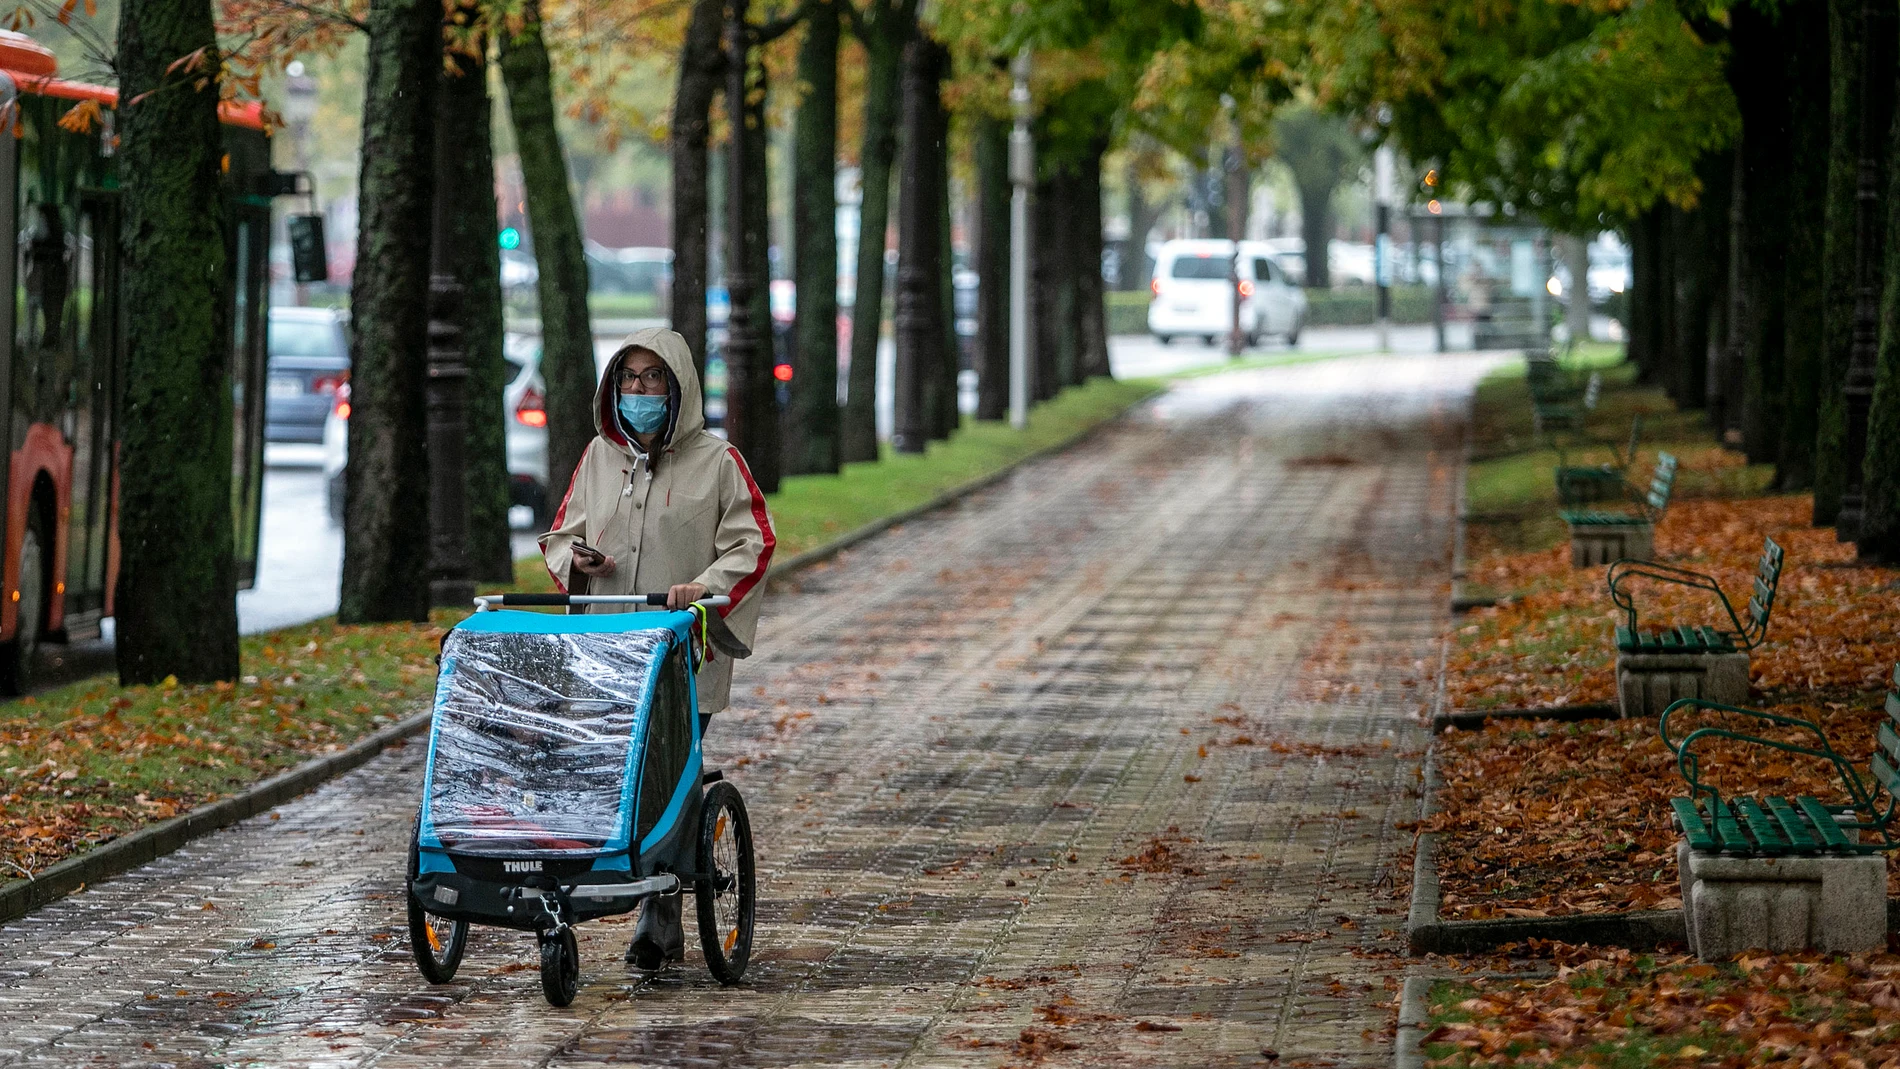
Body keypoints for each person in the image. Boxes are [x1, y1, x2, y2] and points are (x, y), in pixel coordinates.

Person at [540, 326, 774, 970]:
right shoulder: (597, 458)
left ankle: (661, 910)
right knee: (604, 772)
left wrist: (704, 587)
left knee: (665, 775)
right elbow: (560, 535)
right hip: (605, 652)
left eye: (652, 379)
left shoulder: (717, 463)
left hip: (682, 655)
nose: (639, 391)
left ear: (678, 388)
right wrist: (579, 558)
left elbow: (753, 545)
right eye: (628, 379)